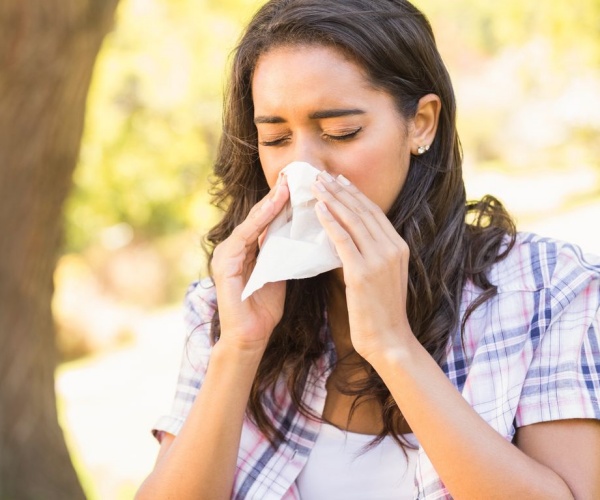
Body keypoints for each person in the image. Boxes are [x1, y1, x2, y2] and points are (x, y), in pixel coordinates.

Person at [136, 0, 600, 498]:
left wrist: (392, 345)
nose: (303, 171)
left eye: (341, 132)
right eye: (276, 138)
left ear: (421, 123)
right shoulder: (224, 306)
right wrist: (239, 350)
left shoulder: (549, 288)